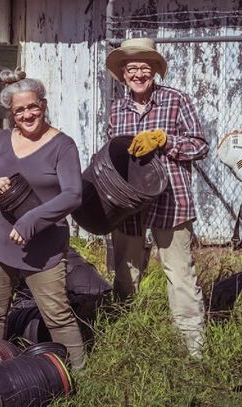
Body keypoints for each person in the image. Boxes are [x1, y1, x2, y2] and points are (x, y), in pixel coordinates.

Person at [0, 67, 86, 369]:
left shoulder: (62, 145)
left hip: (43, 248)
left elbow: (73, 194)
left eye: (33, 106)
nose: (27, 114)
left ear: (43, 105)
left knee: (57, 315)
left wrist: (30, 221)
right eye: (19, 109)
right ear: (11, 113)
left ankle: (80, 377)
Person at [105, 38, 209, 358]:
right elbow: (110, 156)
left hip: (171, 200)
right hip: (130, 204)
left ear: (155, 71)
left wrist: (165, 141)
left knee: (179, 274)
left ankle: (194, 350)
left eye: (144, 68)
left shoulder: (176, 101)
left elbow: (200, 146)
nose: (138, 74)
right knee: (125, 271)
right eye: (131, 68)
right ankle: (124, 338)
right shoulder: (116, 109)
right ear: (123, 73)